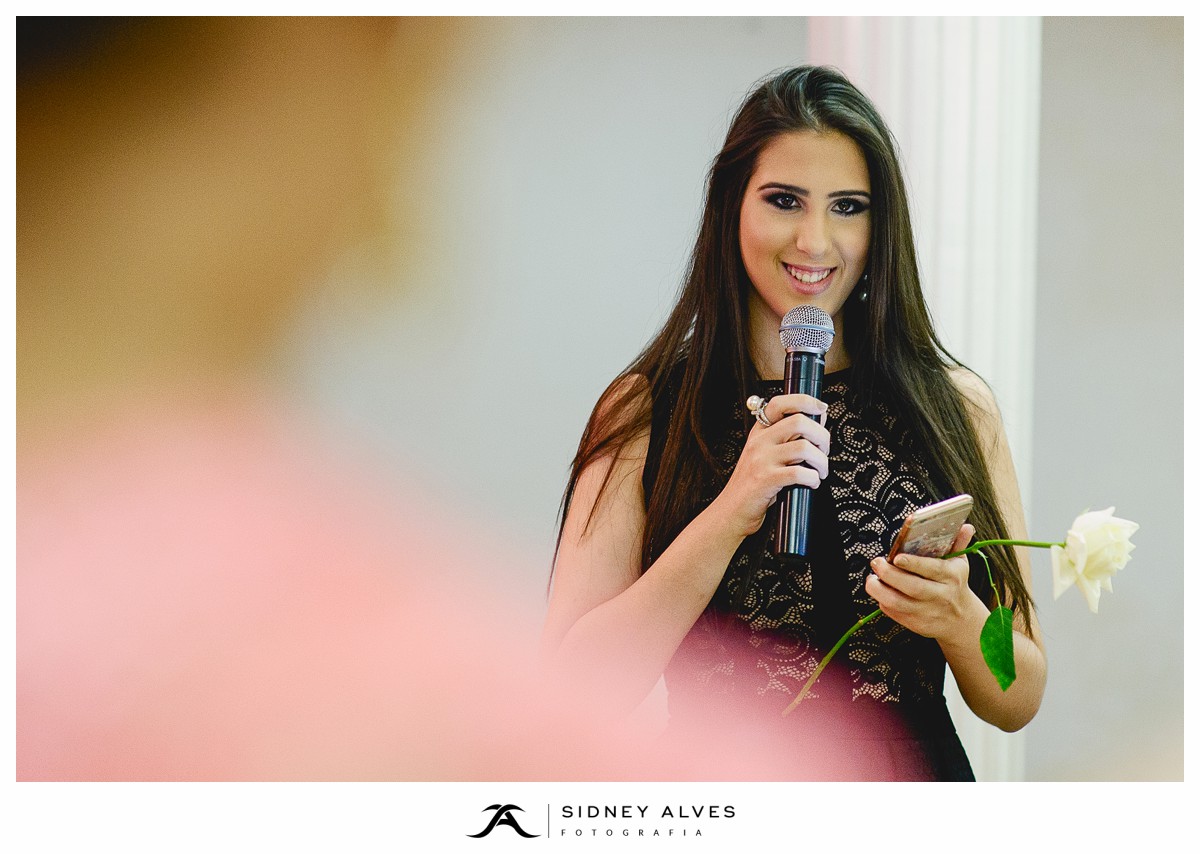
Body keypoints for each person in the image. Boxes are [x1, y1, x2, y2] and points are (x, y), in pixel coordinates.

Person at [541, 65, 1047, 781]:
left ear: (882, 225)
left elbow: (1018, 696)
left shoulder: (955, 406)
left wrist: (961, 622)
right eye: (785, 200)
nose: (815, 240)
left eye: (848, 207)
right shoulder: (647, 408)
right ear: (731, 207)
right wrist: (729, 511)